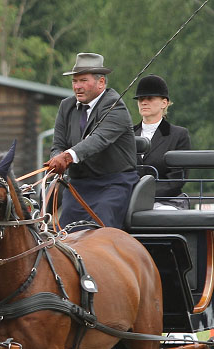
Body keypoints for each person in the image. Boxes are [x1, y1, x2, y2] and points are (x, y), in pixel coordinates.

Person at [45, 52, 138, 229]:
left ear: (101, 82)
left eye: (83, 81)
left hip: (113, 184)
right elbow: (58, 145)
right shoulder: (67, 106)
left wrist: (67, 157)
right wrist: (57, 158)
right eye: (74, 81)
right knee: (67, 232)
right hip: (79, 185)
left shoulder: (115, 106)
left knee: (100, 228)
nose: (77, 86)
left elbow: (99, 139)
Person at [132, 74, 192, 209]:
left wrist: (145, 195)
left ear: (164, 103)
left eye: (149, 98)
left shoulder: (178, 135)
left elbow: (177, 179)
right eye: (140, 99)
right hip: (129, 198)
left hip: (165, 201)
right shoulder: (127, 135)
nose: (143, 102)